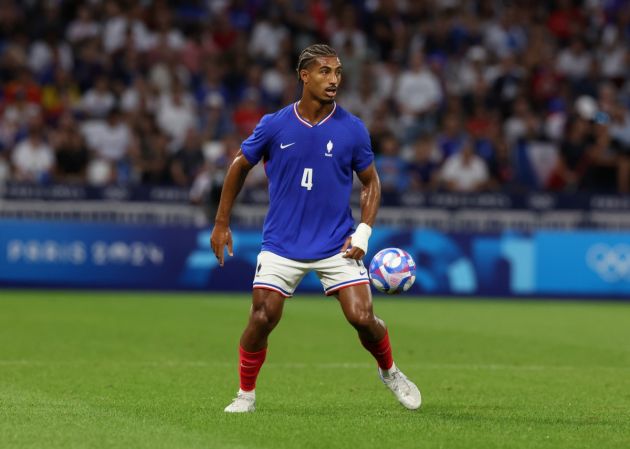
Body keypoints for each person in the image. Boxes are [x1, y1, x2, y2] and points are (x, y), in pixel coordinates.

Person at [210, 44, 421, 413]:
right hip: (281, 243)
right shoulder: (275, 124)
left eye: (338, 72)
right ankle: (245, 395)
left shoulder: (353, 129)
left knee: (362, 318)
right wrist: (221, 222)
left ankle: (389, 371)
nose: (334, 79)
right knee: (262, 317)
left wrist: (364, 232)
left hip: (336, 244)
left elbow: (371, 183)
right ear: (303, 76)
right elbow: (239, 166)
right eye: (324, 71)